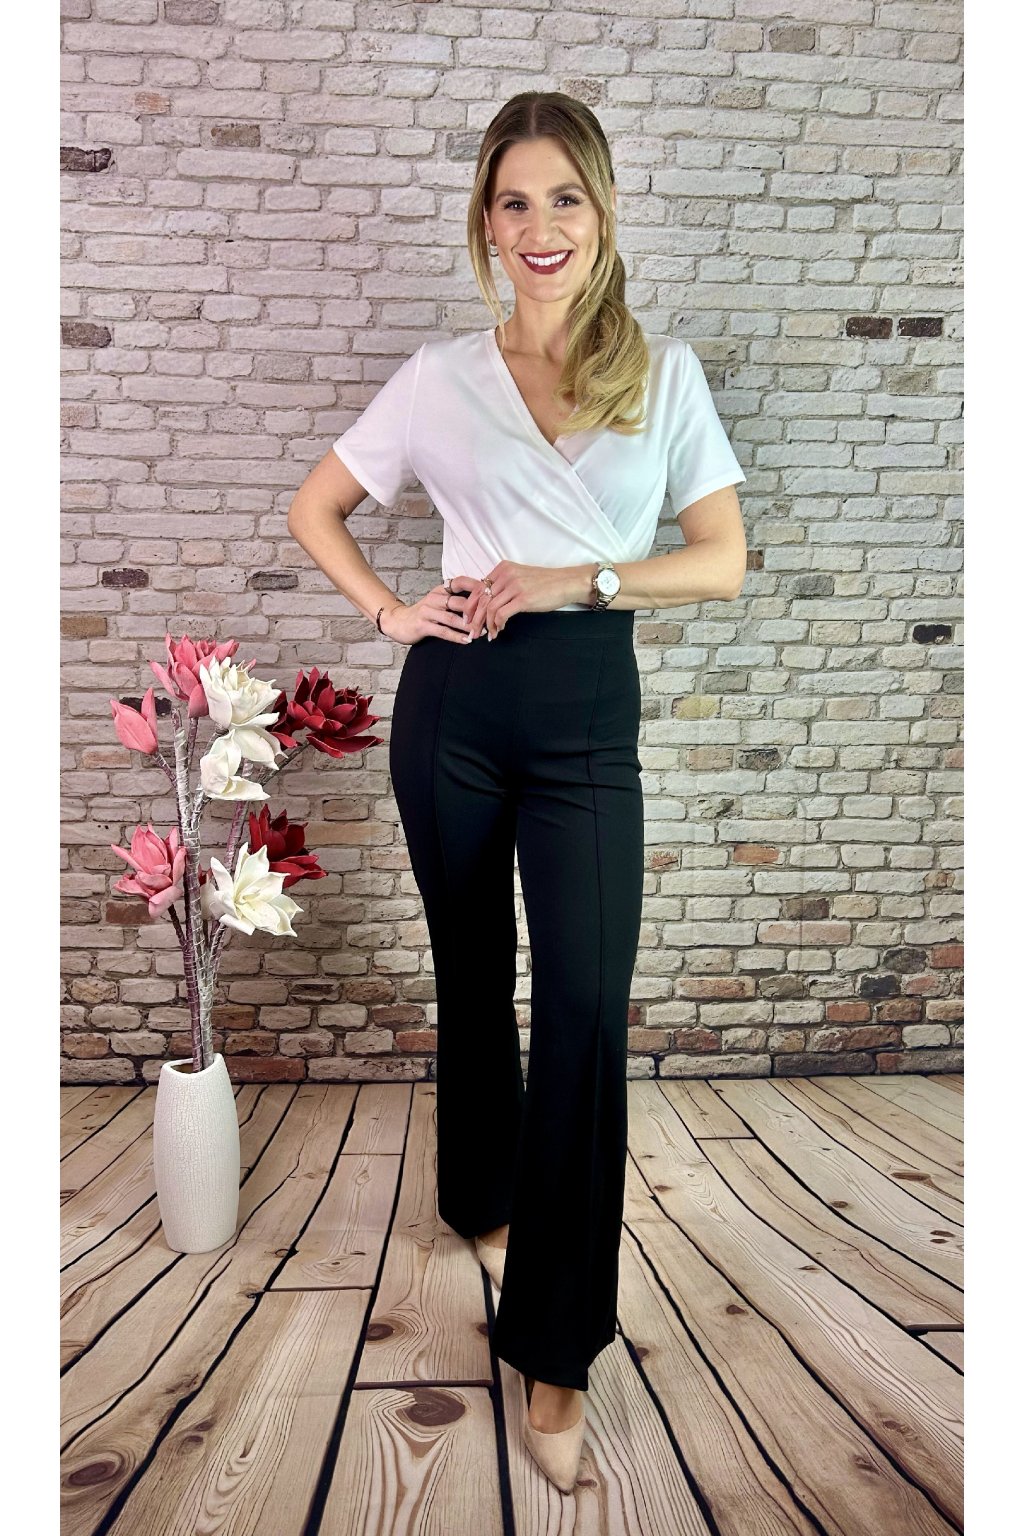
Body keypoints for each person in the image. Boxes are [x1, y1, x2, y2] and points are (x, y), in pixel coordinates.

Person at [287, 90, 748, 1493]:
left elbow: (721, 559)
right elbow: (318, 507)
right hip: (455, 711)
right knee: (474, 972)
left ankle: (556, 1349)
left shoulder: (661, 375)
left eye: (564, 199)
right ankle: (479, 1196)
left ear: (600, 213)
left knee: (588, 1013)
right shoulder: (439, 377)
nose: (539, 227)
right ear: (485, 223)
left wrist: (580, 576)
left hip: (586, 716)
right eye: (513, 202)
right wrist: (390, 615)